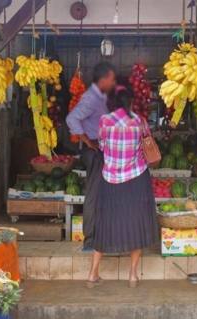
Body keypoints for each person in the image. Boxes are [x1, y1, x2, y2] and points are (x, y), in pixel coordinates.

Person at [86, 86, 158, 288]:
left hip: (110, 179)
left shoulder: (105, 121)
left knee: (104, 224)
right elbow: (146, 144)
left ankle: (93, 273)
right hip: (136, 179)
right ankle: (133, 275)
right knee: (136, 224)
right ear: (130, 102)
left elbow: (101, 145)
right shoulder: (139, 121)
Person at [66, 62, 116, 250]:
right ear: (103, 79)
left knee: (102, 194)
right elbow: (71, 118)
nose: (113, 82)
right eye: (111, 79)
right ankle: (90, 241)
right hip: (94, 152)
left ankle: (101, 236)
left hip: (102, 150)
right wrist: (87, 141)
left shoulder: (100, 97)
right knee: (94, 194)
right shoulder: (91, 98)